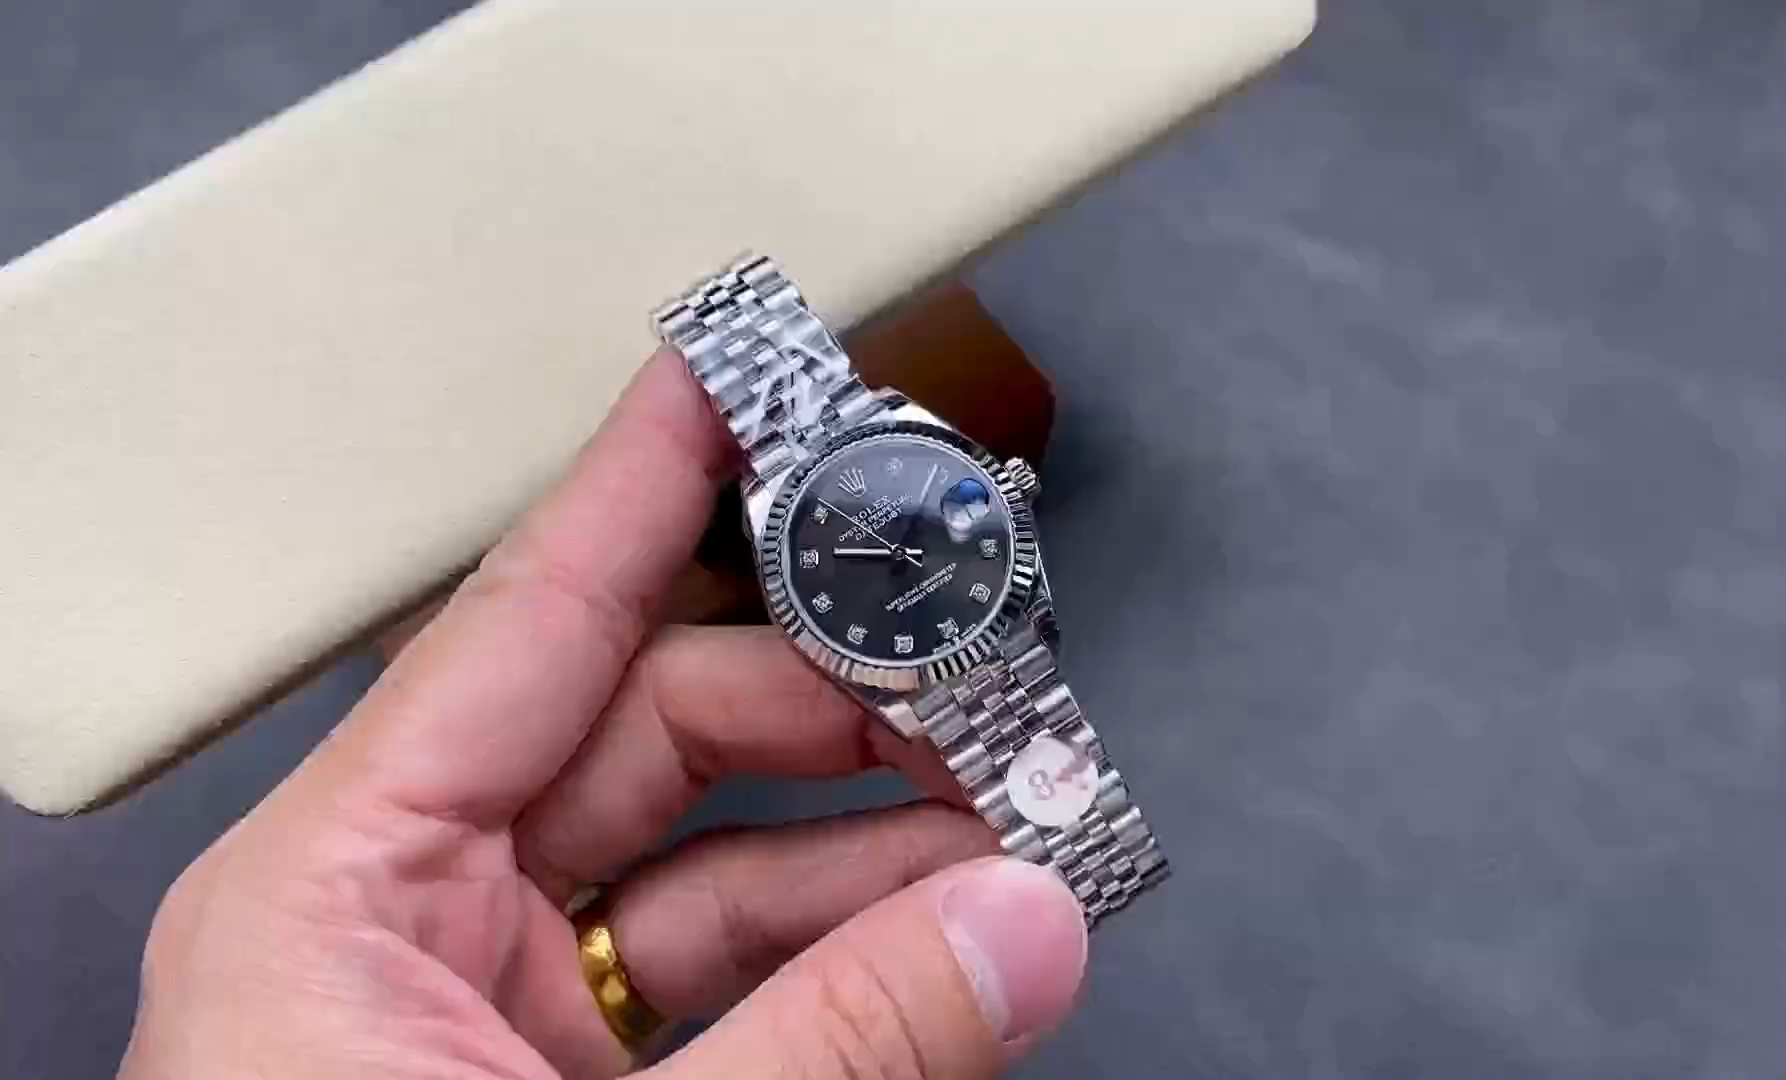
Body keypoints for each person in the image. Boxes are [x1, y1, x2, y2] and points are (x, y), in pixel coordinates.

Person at [119, 354, 1090, 1080]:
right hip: (925, 639)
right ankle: (1085, 840)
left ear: (997, 484)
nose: (900, 553)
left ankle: (1085, 838)